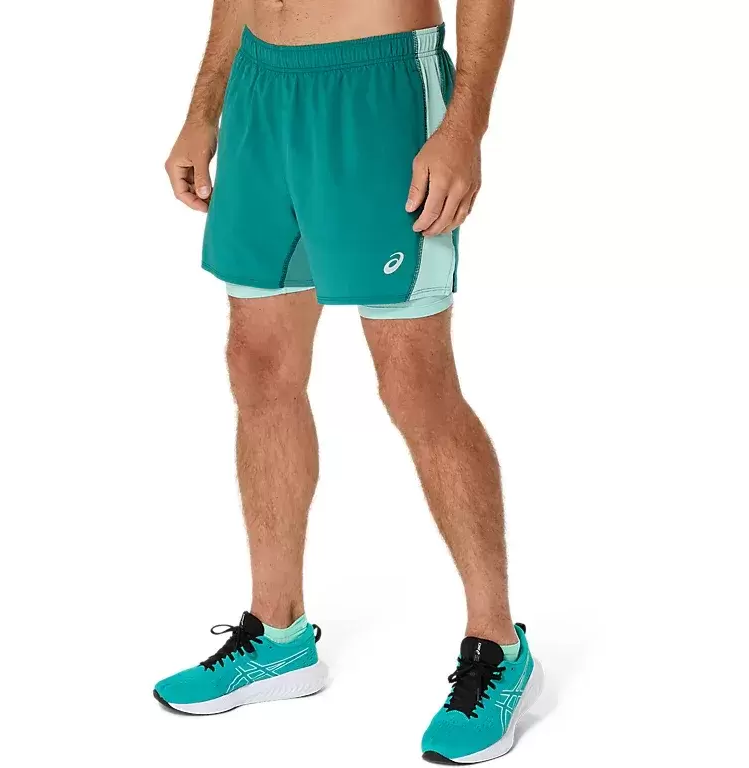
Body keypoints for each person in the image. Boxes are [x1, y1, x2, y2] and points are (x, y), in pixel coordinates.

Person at [153, 1, 541, 762]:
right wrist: (202, 110)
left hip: (378, 88)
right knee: (258, 365)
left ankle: (498, 645)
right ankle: (278, 636)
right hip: (262, 86)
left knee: (414, 384)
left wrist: (464, 127)